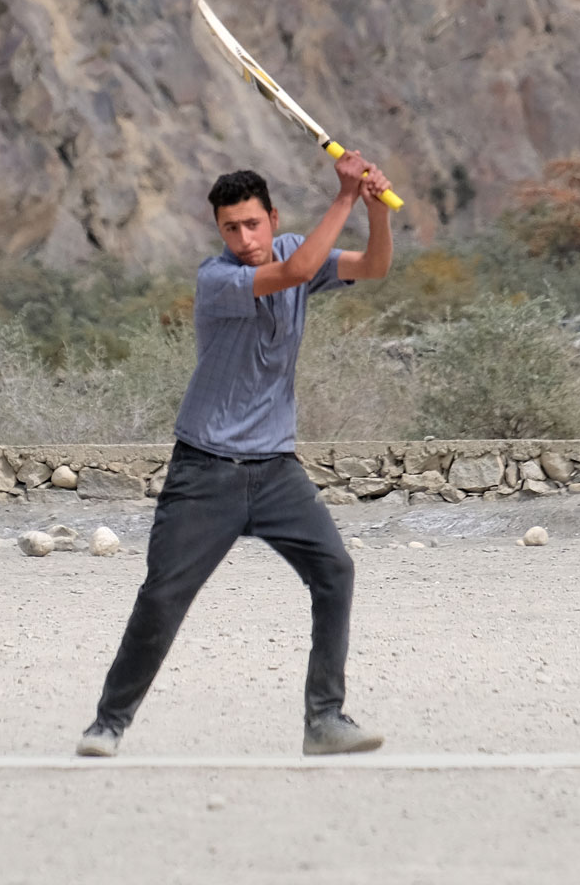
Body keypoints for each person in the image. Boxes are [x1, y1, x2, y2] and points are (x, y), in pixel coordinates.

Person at [76, 151, 396, 757]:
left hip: (276, 470)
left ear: (272, 218)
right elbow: (297, 271)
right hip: (204, 468)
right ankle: (108, 724)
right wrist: (345, 196)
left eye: (253, 224)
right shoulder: (218, 279)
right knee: (163, 596)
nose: (244, 238)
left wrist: (375, 209)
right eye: (231, 228)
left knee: (335, 572)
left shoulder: (297, 247)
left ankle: (324, 720)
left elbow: (375, 266)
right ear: (219, 232)